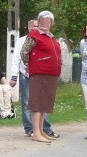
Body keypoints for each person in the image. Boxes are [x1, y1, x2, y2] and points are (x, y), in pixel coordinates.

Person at [10, 19, 59, 138]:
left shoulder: (45, 38)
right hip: (27, 74)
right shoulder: (22, 40)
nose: (34, 28)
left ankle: (44, 128)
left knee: (43, 102)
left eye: (36, 26)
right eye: (32, 26)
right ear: (27, 27)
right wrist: (14, 76)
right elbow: (18, 57)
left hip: (42, 74)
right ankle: (30, 128)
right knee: (29, 102)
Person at [20, 10, 62, 143]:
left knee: (44, 104)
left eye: (48, 21)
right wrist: (29, 65)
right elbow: (24, 52)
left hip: (51, 73)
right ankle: (36, 132)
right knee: (37, 103)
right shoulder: (34, 35)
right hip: (39, 72)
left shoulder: (51, 37)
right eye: (43, 20)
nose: (46, 23)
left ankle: (42, 131)